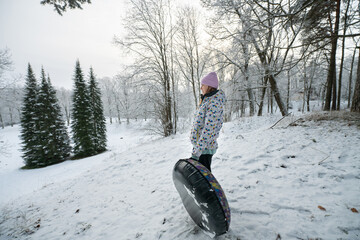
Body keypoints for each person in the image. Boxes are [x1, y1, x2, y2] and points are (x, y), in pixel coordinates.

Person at [190, 72, 226, 172]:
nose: (201, 88)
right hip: (201, 148)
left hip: (204, 149)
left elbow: (209, 129)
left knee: (203, 178)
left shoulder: (214, 103)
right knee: (199, 177)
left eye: (203, 85)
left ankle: (210, 188)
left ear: (209, 86)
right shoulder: (207, 101)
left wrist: (197, 151)